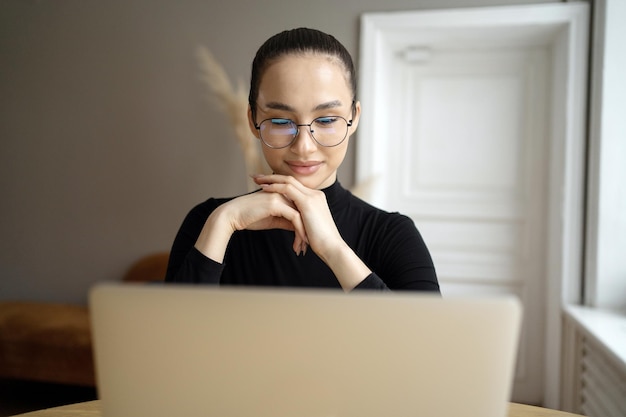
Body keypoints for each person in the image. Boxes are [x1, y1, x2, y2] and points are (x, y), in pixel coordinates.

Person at [165, 27, 439, 292]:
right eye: (282, 121)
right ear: (253, 120)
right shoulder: (209, 222)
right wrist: (224, 221)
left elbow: (426, 338)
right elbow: (169, 335)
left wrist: (333, 249)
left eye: (327, 119)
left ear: (353, 118)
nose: (304, 147)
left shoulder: (392, 235)